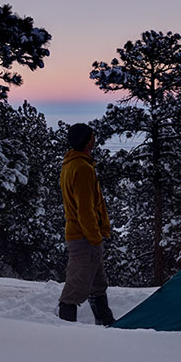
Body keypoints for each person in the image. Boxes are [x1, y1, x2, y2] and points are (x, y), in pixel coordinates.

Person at [58, 123, 115, 325]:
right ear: (86, 140)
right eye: (92, 136)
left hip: (83, 236)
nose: (94, 139)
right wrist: (95, 238)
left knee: (98, 284)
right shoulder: (81, 168)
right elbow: (85, 209)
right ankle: (66, 332)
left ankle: (107, 324)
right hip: (83, 238)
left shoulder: (73, 163)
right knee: (75, 288)